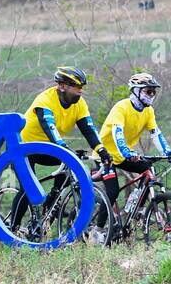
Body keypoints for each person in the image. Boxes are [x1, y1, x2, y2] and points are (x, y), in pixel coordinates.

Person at [11, 66, 110, 226]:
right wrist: (63, 147)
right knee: (28, 190)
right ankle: (12, 230)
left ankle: (51, 203)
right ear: (62, 86)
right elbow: (49, 127)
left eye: (82, 87)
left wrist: (101, 150)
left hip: (46, 149)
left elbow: (88, 129)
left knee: (69, 164)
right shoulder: (45, 101)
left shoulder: (80, 104)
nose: (80, 91)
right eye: (77, 86)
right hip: (23, 149)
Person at [98, 72, 171, 210]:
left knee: (147, 172)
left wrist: (168, 151)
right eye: (148, 91)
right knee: (113, 192)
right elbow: (117, 133)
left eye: (153, 92)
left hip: (124, 156)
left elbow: (155, 133)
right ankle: (98, 229)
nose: (151, 95)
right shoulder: (121, 107)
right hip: (106, 156)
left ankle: (137, 212)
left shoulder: (148, 111)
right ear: (136, 91)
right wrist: (127, 152)